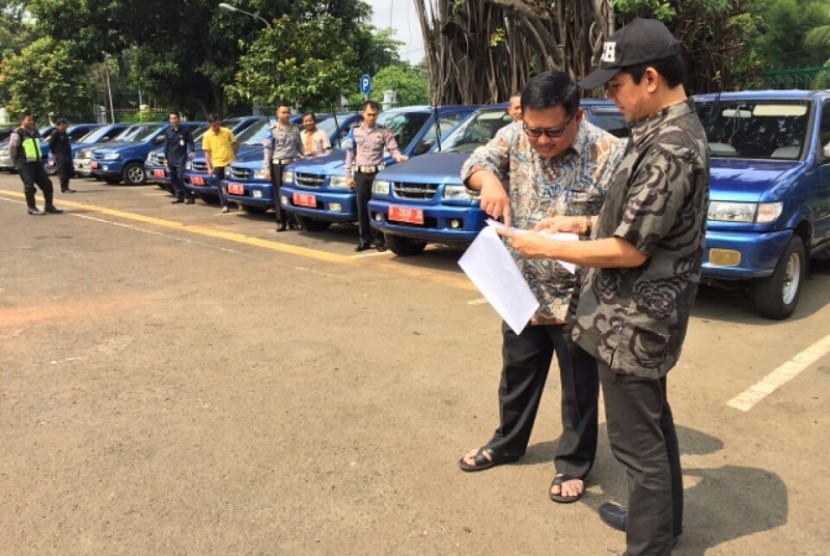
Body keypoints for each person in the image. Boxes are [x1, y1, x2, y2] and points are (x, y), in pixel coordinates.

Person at [497, 18, 709, 555]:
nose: (612, 97)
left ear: (651, 79)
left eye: (616, 85)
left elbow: (630, 250)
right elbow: (640, 222)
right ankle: (657, 521)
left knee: (638, 445)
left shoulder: (669, 147)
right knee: (654, 428)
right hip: (636, 316)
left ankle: (649, 544)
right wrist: (581, 224)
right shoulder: (661, 132)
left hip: (635, 322)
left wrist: (543, 246)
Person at [457, 71, 624, 505]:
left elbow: (626, 227)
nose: (542, 141)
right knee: (517, 374)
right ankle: (508, 442)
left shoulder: (610, 153)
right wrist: (489, 180)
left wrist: (583, 224)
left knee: (578, 385)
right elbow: (473, 164)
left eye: (553, 131)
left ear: (578, 116)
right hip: (521, 289)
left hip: (579, 293)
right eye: (534, 130)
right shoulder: (515, 137)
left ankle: (573, 463)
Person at [344, 100, 409, 252]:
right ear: (363, 114)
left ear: (378, 115)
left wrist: (399, 157)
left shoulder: (383, 131)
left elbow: (393, 149)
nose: (371, 118)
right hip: (361, 174)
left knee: (376, 207)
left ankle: (379, 239)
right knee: (362, 207)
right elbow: (349, 156)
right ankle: (364, 239)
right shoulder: (354, 132)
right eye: (369, 115)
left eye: (374, 115)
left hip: (377, 174)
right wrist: (348, 176)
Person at [8, 113, 62, 215]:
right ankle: (31, 208)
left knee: (47, 184)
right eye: (29, 120)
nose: (31, 122)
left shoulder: (35, 132)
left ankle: (49, 206)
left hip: (37, 163)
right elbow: (12, 148)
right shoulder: (17, 133)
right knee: (29, 186)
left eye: (32, 120)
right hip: (25, 164)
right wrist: (16, 161)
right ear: (22, 121)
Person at [264, 102, 304, 231]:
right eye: (283, 112)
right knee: (279, 194)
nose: (286, 115)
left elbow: (300, 147)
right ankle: (281, 221)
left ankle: (293, 220)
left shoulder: (295, 129)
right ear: (277, 114)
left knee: (291, 194)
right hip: (277, 165)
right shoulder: (272, 131)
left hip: (291, 165)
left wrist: (307, 157)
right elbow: (268, 151)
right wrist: (266, 168)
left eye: (288, 112)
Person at [202, 113, 239, 214]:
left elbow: (235, 143)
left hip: (230, 162)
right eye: (214, 125)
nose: (216, 127)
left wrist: (234, 155)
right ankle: (224, 205)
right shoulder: (206, 136)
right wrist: (209, 167)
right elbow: (207, 153)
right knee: (221, 185)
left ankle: (238, 202)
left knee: (233, 184)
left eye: (218, 124)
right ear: (209, 125)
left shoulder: (226, 131)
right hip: (218, 163)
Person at [165, 111, 196, 204]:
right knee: (173, 178)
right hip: (171, 158)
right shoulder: (168, 131)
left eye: (175, 118)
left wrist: (192, 150)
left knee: (181, 177)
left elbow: (191, 141)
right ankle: (179, 196)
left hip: (181, 158)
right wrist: (166, 158)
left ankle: (189, 197)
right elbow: (166, 145)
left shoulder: (185, 130)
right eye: (171, 119)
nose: (173, 120)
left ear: (178, 119)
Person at [48, 118, 75, 193]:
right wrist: (56, 153)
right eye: (65, 124)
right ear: (60, 124)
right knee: (62, 172)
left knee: (67, 172)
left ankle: (67, 187)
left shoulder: (64, 133)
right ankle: (63, 188)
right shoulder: (55, 133)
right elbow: (51, 145)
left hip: (67, 155)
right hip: (60, 156)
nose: (67, 125)